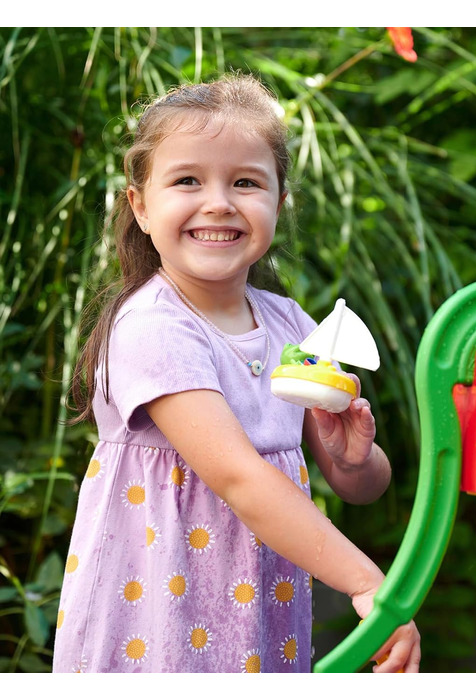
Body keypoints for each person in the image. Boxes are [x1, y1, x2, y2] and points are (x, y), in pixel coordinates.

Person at [52, 72, 421, 674]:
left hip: (256, 620)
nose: (219, 201)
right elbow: (240, 478)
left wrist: (353, 459)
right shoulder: (152, 327)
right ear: (141, 207)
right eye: (187, 180)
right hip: (155, 620)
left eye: (246, 182)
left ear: (278, 202)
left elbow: (362, 488)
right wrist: (366, 583)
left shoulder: (292, 325)